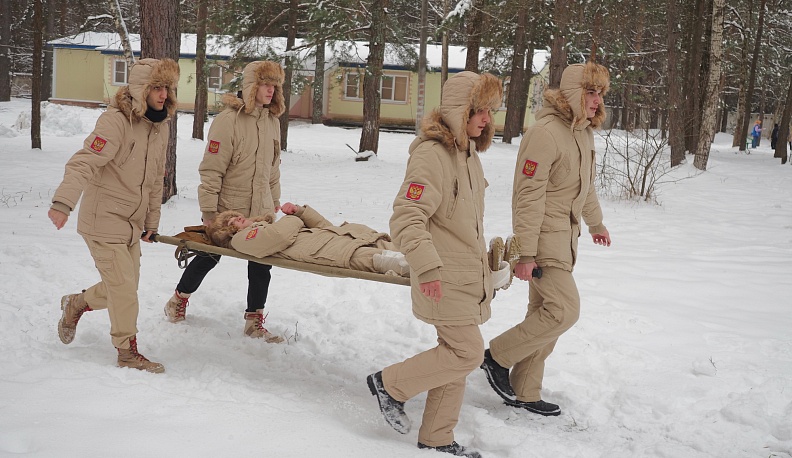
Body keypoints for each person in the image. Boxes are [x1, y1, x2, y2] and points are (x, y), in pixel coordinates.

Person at [366, 71, 503, 458]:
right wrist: (426, 267)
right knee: (467, 353)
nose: (487, 120)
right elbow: (407, 217)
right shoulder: (432, 154)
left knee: (454, 356)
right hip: (442, 275)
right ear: (461, 111)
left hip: (465, 276)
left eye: (490, 112)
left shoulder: (468, 155)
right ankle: (389, 384)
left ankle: (438, 437)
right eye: (480, 111)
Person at [480, 62, 613, 417]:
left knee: (543, 314)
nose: (597, 100)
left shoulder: (583, 133)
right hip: (543, 242)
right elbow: (527, 196)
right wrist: (525, 253)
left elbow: (585, 188)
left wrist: (596, 224)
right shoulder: (545, 133)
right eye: (590, 92)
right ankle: (496, 358)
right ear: (572, 93)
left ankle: (525, 390)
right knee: (564, 311)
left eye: (600, 93)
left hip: (566, 241)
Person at [49, 58, 180, 373]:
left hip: (131, 223)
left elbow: (154, 180)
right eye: (157, 88)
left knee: (121, 288)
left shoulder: (159, 127)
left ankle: (76, 303)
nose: (164, 94)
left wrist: (151, 223)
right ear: (141, 89)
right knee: (123, 289)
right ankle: (126, 352)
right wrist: (63, 202)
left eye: (167, 88)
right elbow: (84, 161)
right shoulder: (116, 122)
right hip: (103, 218)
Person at [163, 60, 286, 343]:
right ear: (252, 86)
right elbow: (212, 168)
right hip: (229, 210)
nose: (271, 90)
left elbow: (273, 169)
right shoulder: (228, 121)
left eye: (274, 85)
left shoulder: (272, 122)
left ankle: (254, 322)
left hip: (260, 211)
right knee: (209, 256)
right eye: (265, 84)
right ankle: (178, 300)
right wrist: (209, 211)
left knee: (261, 264)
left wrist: (274, 202)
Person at [206, 203, 409, 276]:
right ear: (229, 232)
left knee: (412, 249)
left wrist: (300, 212)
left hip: (351, 238)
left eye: (236, 216)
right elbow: (280, 236)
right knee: (395, 262)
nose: (237, 219)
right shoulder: (242, 240)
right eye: (231, 223)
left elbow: (325, 227)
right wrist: (295, 219)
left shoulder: (266, 226)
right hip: (337, 252)